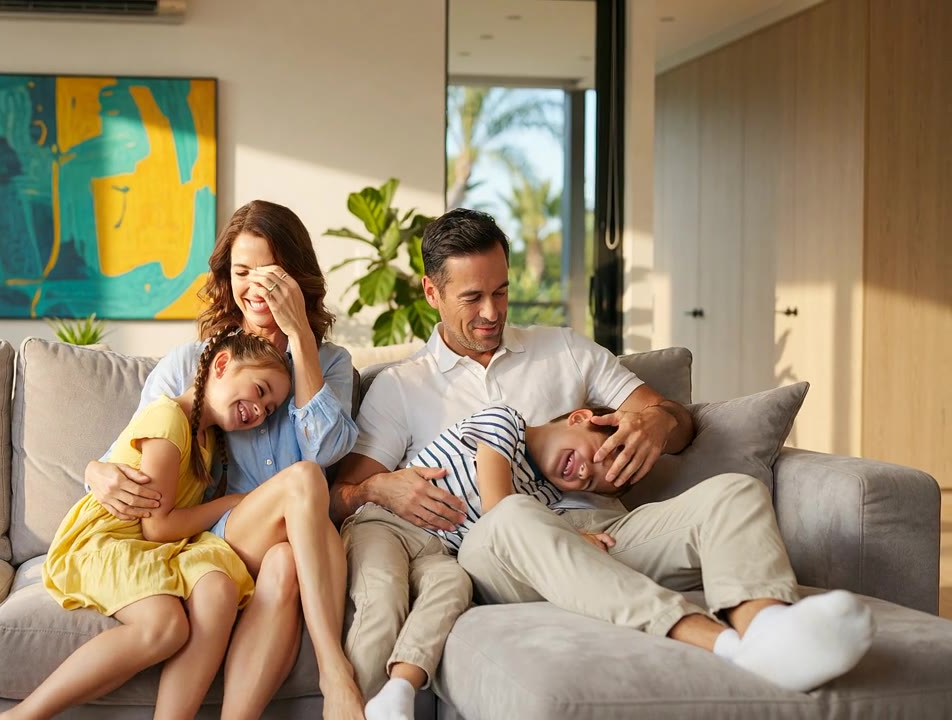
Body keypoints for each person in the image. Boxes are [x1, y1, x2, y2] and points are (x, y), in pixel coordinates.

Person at [331, 209, 874, 720]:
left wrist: (658, 424)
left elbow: (674, 421)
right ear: (432, 292)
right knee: (512, 516)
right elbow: (343, 496)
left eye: (501, 291)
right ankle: (719, 642)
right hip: (499, 554)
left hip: (606, 533)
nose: (493, 312)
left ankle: (769, 631)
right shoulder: (403, 385)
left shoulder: (564, 350)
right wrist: (379, 488)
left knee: (733, 492)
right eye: (472, 298)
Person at [87, 200, 365, 719]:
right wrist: (93, 470)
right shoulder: (192, 364)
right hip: (220, 535)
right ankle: (334, 669)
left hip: (295, 544)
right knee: (302, 478)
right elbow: (133, 447)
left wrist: (301, 336)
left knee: (285, 558)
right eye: (242, 273)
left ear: (296, 277)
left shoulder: (332, 363)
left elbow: (328, 448)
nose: (255, 287)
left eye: (270, 274)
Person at [0, 331, 291, 720]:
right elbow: (158, 527)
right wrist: (231, 503)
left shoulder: (208, 440)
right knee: (166, 627)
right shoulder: (168, 419)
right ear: (220, 366)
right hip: (110, 538)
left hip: (156, 544)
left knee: (218, 587)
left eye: (270, 407)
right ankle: (20, 716)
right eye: (261, 390)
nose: (262, 409)